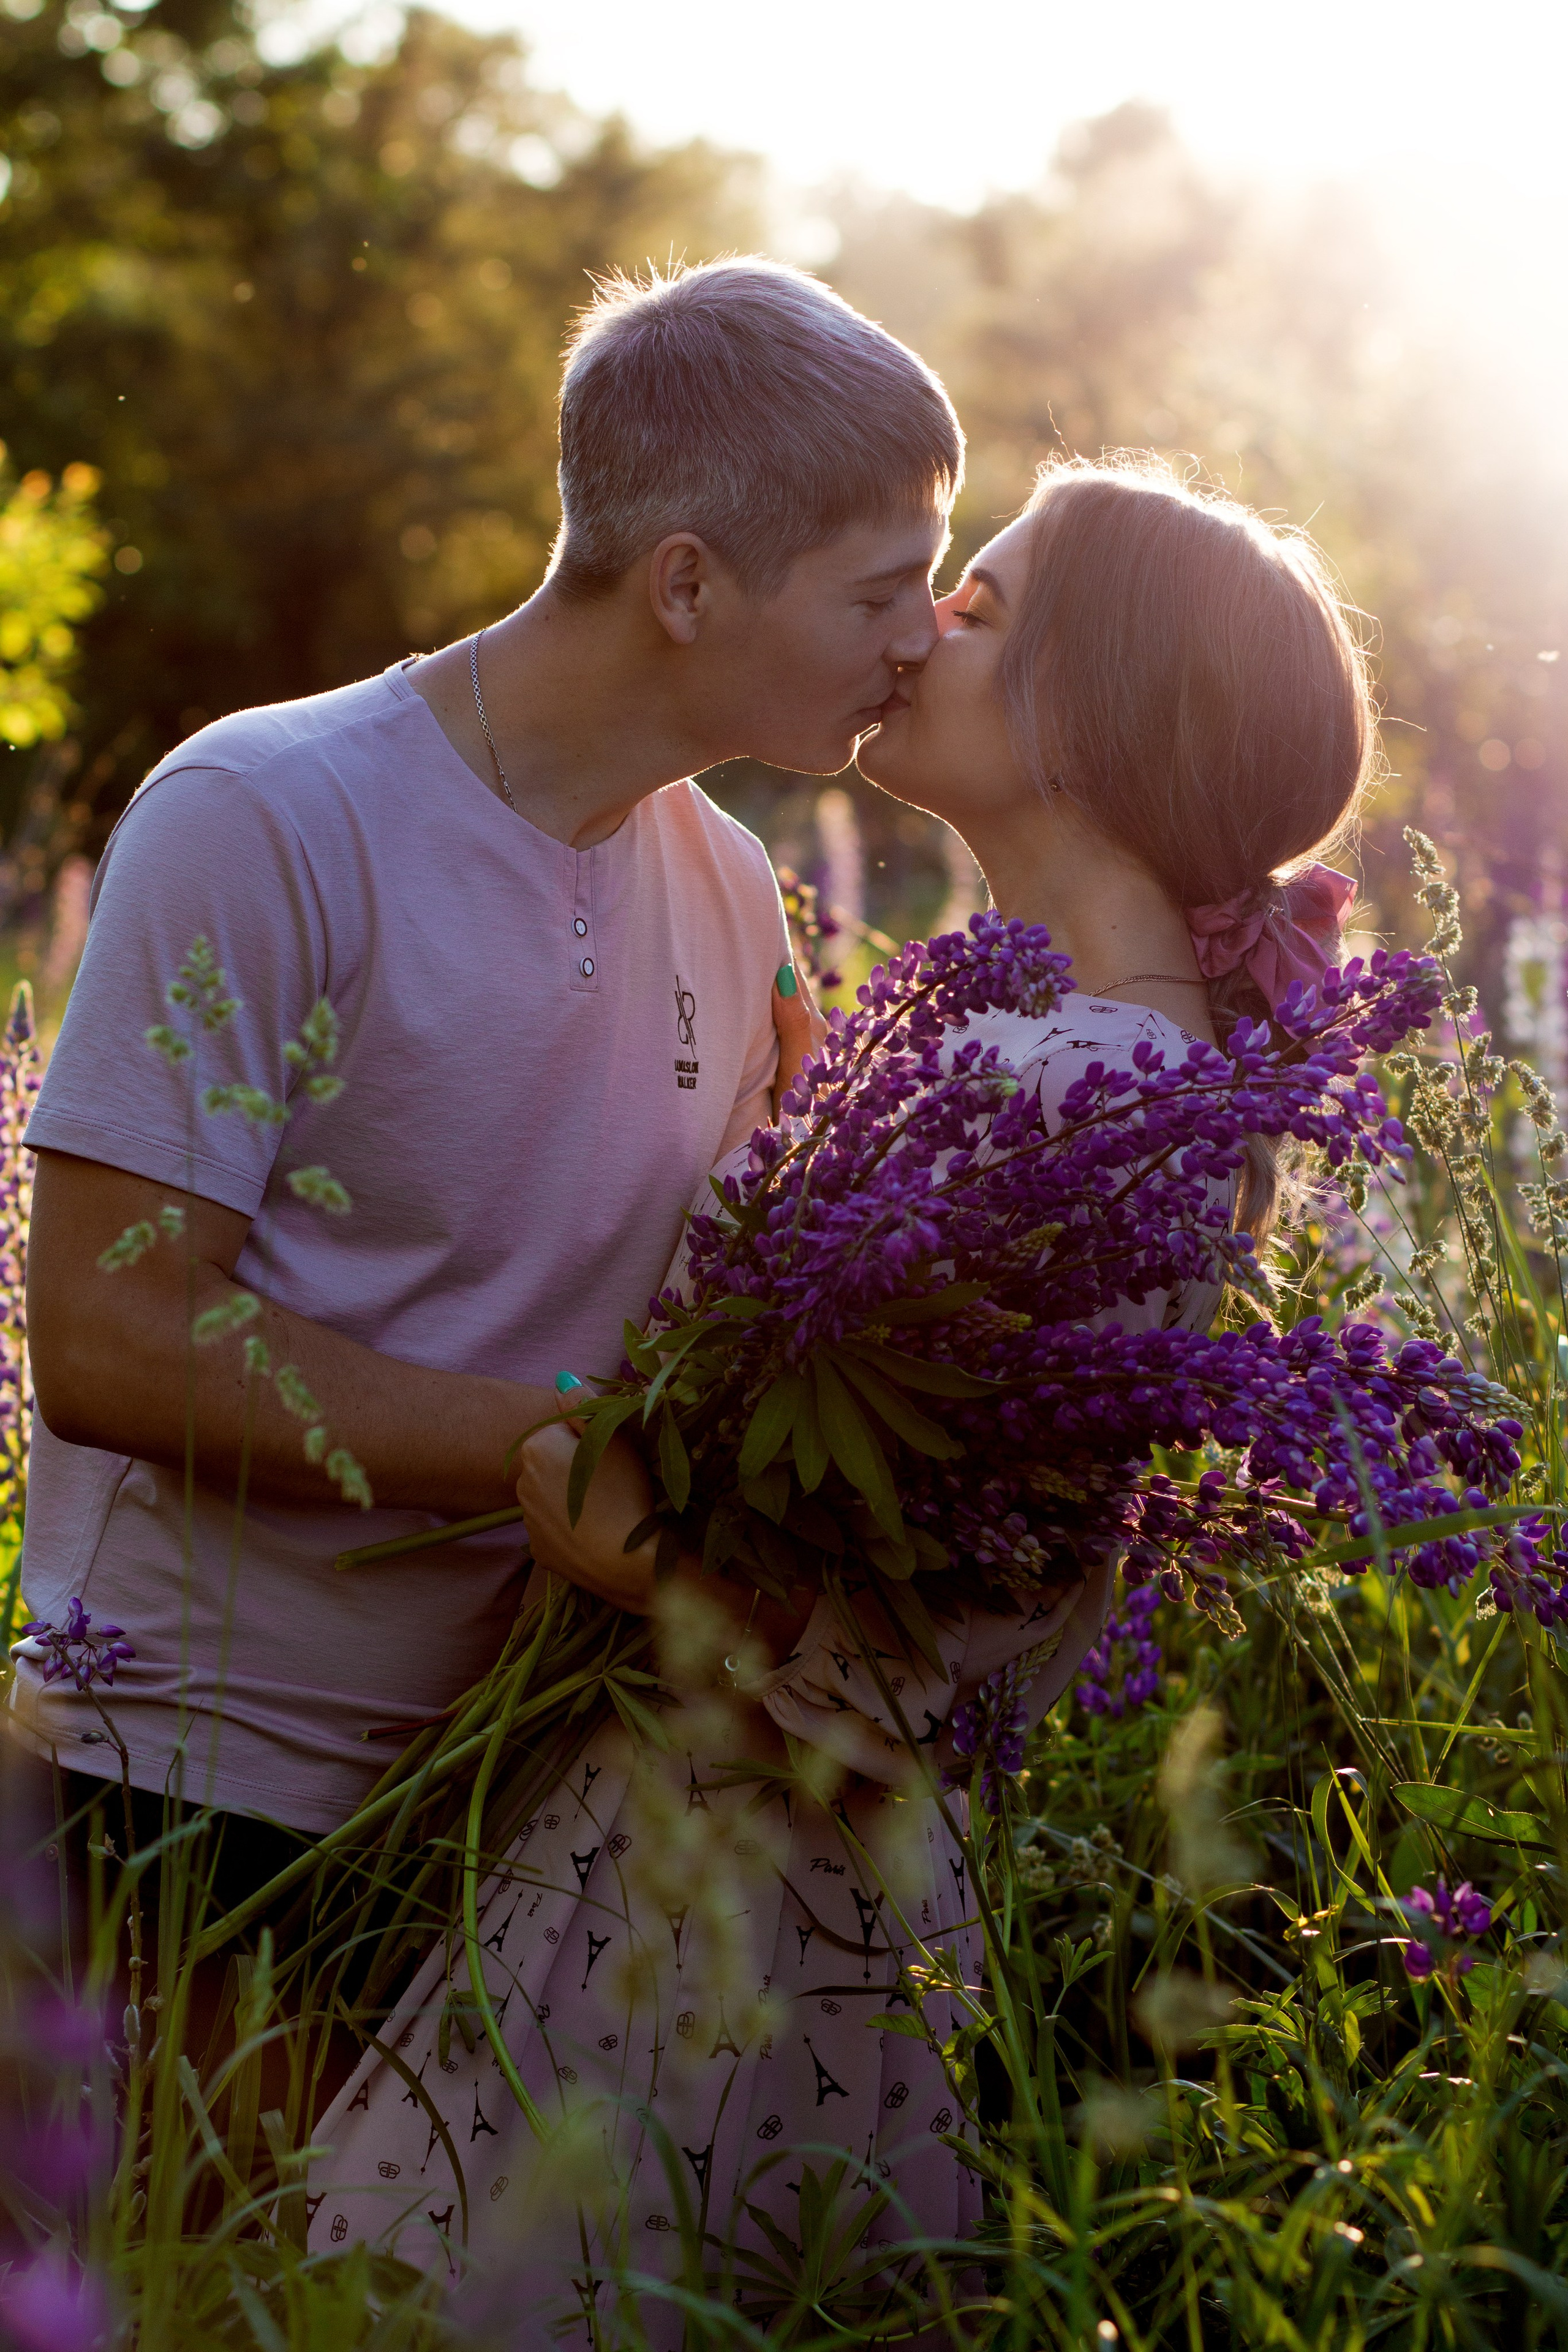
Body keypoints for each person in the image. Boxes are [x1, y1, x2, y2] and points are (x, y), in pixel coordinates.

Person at [311, 453, 1375, 2334]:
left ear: (1102, 710)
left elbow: (896, 1587)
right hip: (750, 1851)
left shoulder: (1087, 1092)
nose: (927, 620)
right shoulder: (1040, 1050)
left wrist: (618, 1520)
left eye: (988, 601)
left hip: (734, 1867)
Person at [6, 260, 960, 1970]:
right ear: (685, 584)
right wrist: (560, 1442)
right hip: (192, 1798)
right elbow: (104, 1335)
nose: (922, 638)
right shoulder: (265, 813)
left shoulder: (740, 892)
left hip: (531, 1806)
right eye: (885, 588)